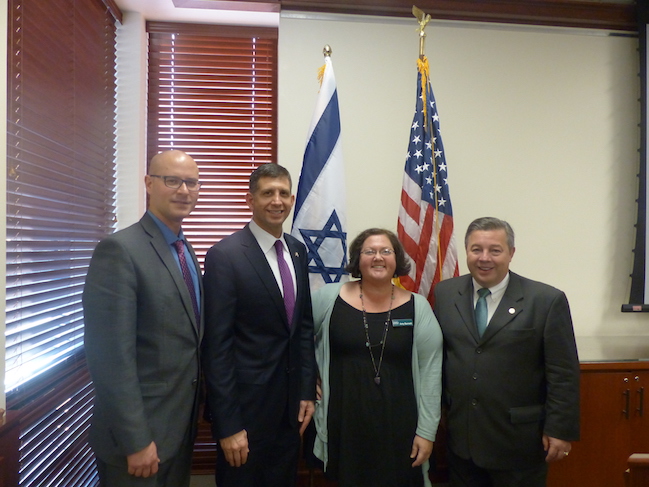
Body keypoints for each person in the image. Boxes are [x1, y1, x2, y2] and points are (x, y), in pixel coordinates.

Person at [83, 149, 203, 486]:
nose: (184, 190)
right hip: (137, 444)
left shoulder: (184, 248)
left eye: (192, 183)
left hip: (178, 432)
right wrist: (136, 441)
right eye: (172, 180)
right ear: (149, 184)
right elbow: (109, 358)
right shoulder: (120, 250)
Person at [433, 216, 580, 487]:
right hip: (462, 441)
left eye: (495, 250)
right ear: (466, 251)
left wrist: (559, 430)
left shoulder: (546, 301)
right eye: (476, 249)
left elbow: (563, 372)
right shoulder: (445, 293)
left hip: (519, 443)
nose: (484, 258)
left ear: (511, 253)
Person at [202, 163, 317, 487]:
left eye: (283, 193)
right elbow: (217, 347)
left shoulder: (297, 251)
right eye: (267, 193)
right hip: (246, 415)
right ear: (249, 199)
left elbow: (302, 328)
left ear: (292, 199)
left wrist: (306, 391)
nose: (276, 200)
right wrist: (228, 424)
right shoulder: (225, 256)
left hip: (290, 412)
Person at [311, 228, 443, 487]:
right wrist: (309, 378)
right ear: (357, 260)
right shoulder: (328, 298)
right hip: (344, 423)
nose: (378, 257)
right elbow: (298, 340)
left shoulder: (418, 306)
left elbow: (431, 373)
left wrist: (427, 432)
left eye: (386, 251)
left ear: (397, 260)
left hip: (400, 427)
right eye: (369, 251)